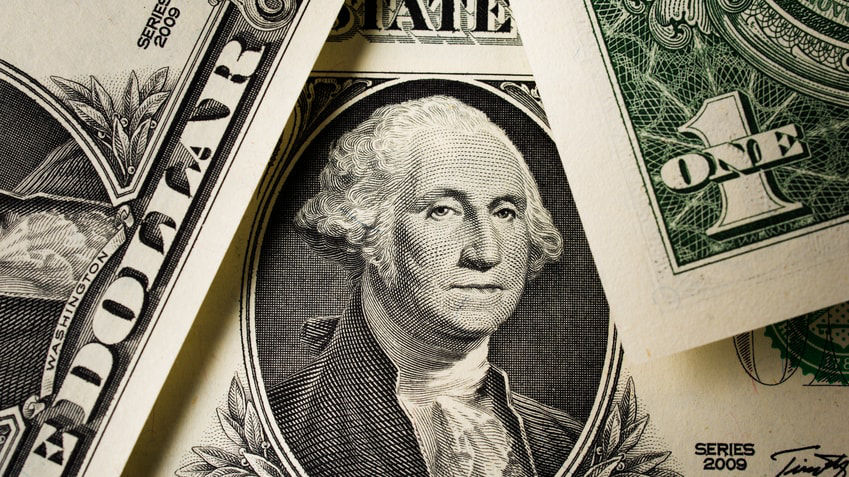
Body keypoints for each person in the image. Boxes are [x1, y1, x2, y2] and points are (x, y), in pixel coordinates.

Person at [267, 95, 581, 477]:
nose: (486, 252)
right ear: (368, 229)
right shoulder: (275, 432)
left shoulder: (565, 439)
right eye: (443, 210)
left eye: (505, 212)